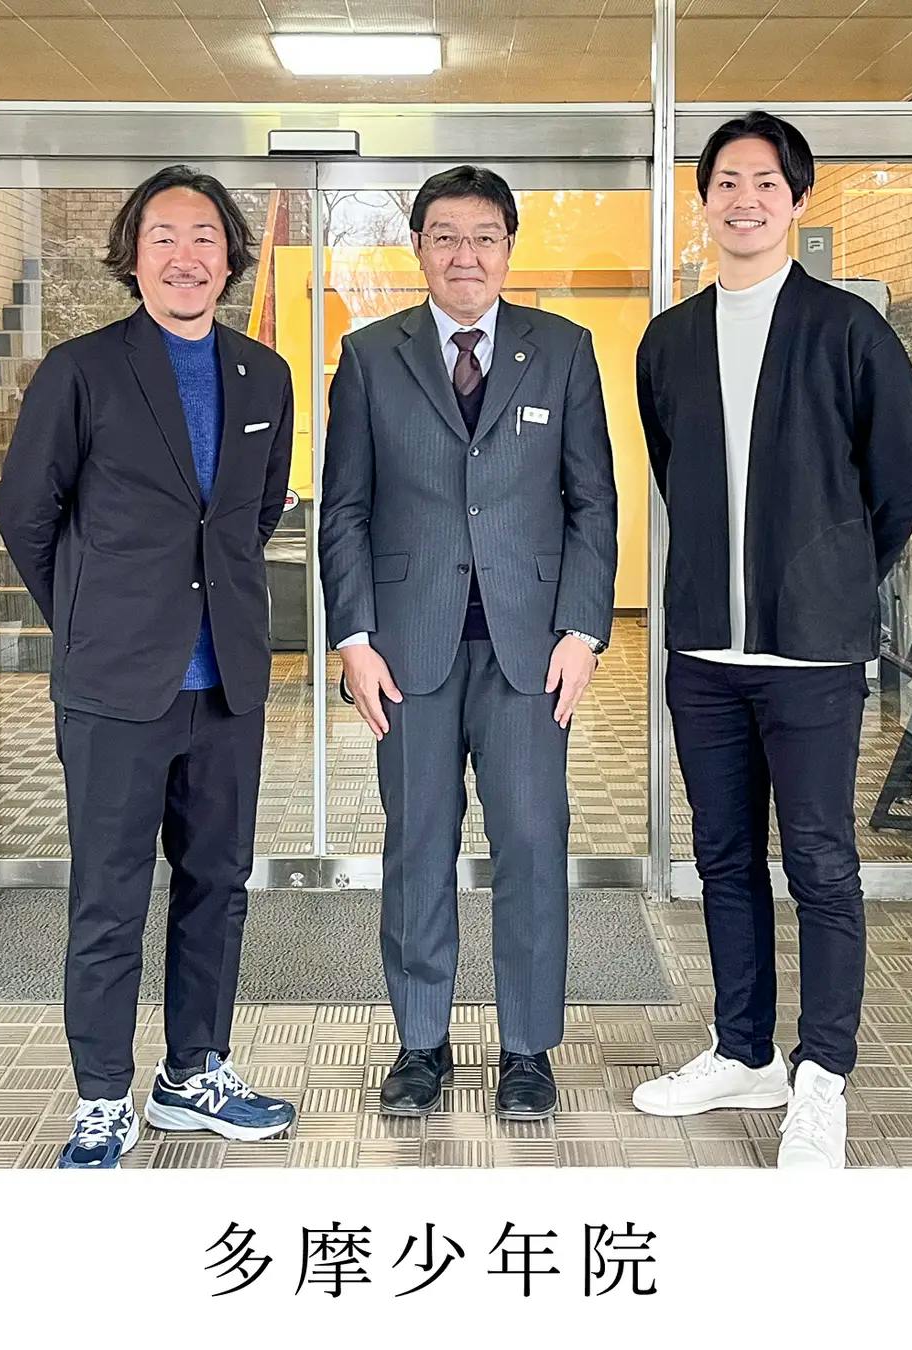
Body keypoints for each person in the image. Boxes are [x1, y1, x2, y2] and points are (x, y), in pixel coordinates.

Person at [631, 114, 912, 1167]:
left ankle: (822, 1076)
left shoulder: (849, 331)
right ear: (704, 200)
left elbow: (901, 482)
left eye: (765, 182)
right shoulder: (669, 340)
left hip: (811, 659)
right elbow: (674, 468)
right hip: (705, 656)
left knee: (819, 863)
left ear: (798, 201)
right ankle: (743, 1050)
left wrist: (831, 579)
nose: (745, 199)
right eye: (726, 181)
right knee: (723, 858)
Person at [0, 165, 298, 1168]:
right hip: (116, 687)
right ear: (132, 254)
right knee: (108, 897)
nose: (185, 256)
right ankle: (100, 1097)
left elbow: (254, 514)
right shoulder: (81, 371)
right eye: (163, 236)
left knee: (217, 885)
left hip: (228, 686)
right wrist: (91, 620)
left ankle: (192, 1074)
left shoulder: (263, 375)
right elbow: (26, 515)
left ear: (230, 257)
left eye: (204, 237)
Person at [320, 165, 618, 1122]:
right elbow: (345, 509)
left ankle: (527, 1048)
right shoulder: (370, 356)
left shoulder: (562, 350)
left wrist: (584, 630)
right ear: (418, 247)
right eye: (445, 236)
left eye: (484, 236)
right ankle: (421, 1042)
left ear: (508, 249)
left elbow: (593, 502)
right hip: (407, 652)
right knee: (417, 844)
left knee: (531, 843)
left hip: (532, 653)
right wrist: (353, 638)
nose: (465, 255)